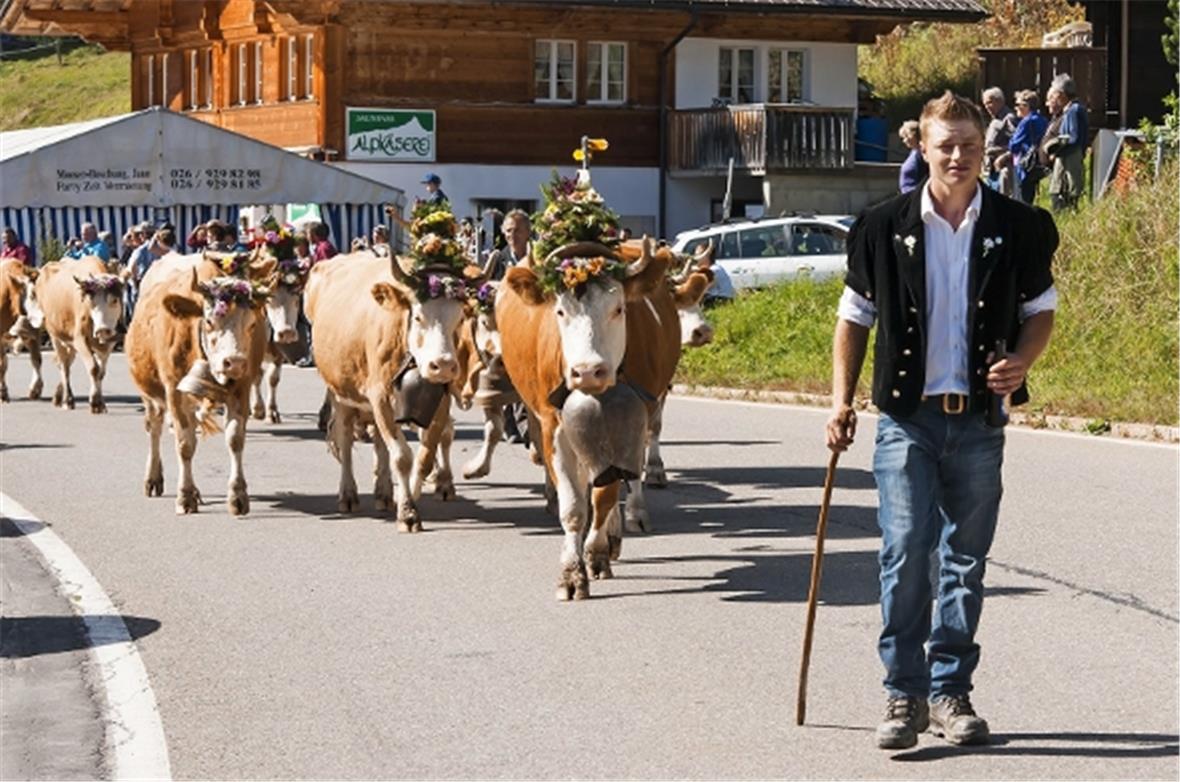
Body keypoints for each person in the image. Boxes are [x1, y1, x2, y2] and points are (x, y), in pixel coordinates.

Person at [827, 90, 1059, 751]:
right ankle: (903, 692)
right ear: (921, 148)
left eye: (969, 145)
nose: (958, 156)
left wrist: (1020, 358)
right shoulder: (881, 226)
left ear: (985, 149)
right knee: (907, 554)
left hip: (980, 421)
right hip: (908, 417)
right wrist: (842, 401)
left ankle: (951, 692)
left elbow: (1041, 308)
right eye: (946, 145)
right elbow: (855, 318)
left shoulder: (1018, 226)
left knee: (965, 560)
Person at [1045, 74, 1089, 212]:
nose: (1054, 99)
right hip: (1068, 156)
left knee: (1067, 192)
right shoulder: (1073, 109)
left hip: (1070, 158)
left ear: (1061, 94)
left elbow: (1073, 138)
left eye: (1055, 94)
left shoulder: (1073, 111)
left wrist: (1055, 148)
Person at [1008, 90, 1049, 204]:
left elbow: (1013, 146)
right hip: (1037, 164)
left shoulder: (1026, 122)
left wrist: (1011, 139)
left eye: (1018, 105)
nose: (1015, 108)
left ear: (1026, 106)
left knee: (1021, 200)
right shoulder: (1043, 120)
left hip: (1024, 165)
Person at [981, 87, 1018, 196]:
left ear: (999, 101)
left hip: (1002, 166)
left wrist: (1002, 154)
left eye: (989, 103)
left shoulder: (1009, 118)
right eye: (985, 104)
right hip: (990, 168)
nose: (987, 107)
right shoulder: (994, 119)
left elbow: (1016, 143)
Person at [897, 120, 927, 193]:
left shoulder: (922, 154)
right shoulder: (914, 152)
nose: (904, 141)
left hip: (915, 194)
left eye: (906, 137)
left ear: (913, 136)